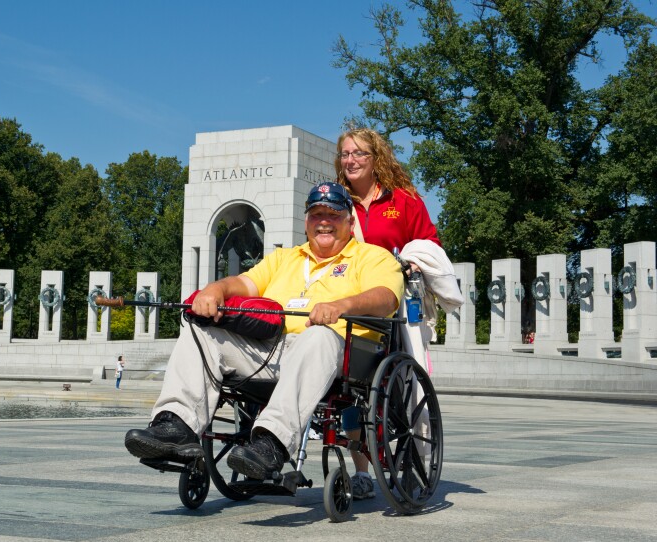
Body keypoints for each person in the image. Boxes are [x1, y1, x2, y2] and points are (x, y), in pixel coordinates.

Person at [124, 182, 404, 481]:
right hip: (271, 348)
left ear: (350, 221)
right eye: (316, 214)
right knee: (200, 330)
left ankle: (271, 442)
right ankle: (176, 425)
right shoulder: (285, 258)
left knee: (318, 335)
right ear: (306, 220)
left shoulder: (373, 257)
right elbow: (245, 284)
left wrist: (342, 304)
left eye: (334, 215)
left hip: (338, 352)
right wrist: (215, 289)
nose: (324, 222)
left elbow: (387, 296)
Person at [334, 127, 462, 499]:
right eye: (345, 154)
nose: (351, 160)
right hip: (352, 303)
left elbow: (430, 244)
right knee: (348, 391)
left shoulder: (403, 201)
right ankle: (361, 471)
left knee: (404, 391)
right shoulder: (337, 200)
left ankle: (410, 460)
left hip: (397, 305)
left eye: (359, 154)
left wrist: (413, 262)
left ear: (377, 159)